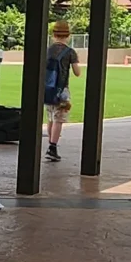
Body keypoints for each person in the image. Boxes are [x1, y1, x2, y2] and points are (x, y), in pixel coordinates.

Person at [43, 20, 82, 163]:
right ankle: (53, 147)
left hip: (48, 89)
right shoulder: (70, 52)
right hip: (62, 90)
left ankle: (50, 144)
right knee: (59, 119)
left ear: (53, 34)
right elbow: (77, 72)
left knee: (50, 118)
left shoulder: (47, 50)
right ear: (69, 35)